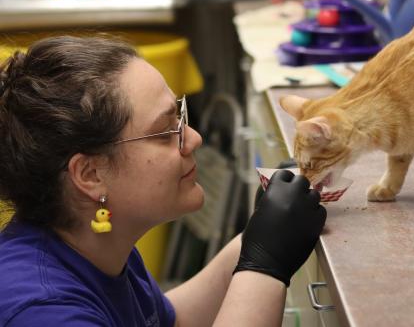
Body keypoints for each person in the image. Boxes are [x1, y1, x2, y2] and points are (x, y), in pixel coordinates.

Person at [0, 36, 327, 326]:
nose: (194, 138)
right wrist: (264, 267)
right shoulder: (42, 311)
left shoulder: (94, 243)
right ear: (91, 175)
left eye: (179, 116)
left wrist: (261, 233)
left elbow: (173, 320)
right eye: (165, 131)